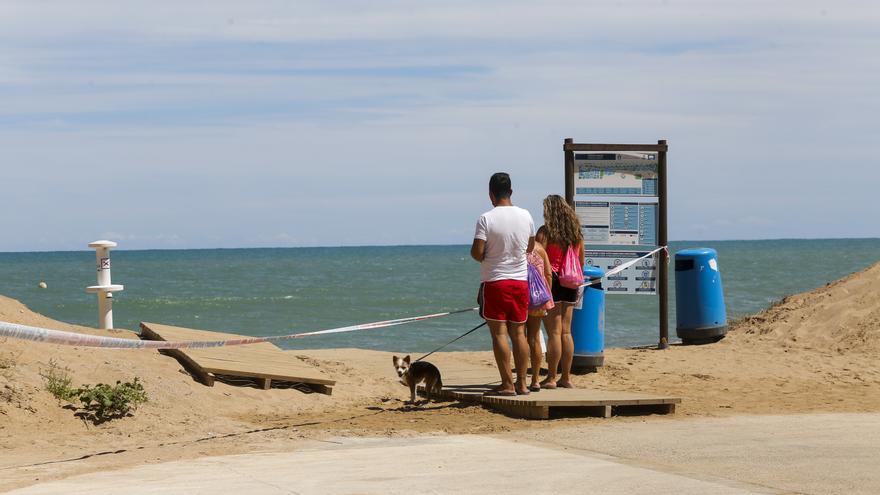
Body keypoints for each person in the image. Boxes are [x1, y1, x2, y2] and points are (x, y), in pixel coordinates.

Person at [471, 172, 535, 396]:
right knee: (519, 333)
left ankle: (507, 383)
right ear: (511, 192)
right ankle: (523, 384)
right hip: (519, 281)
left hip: (495, 281)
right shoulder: (526, 215)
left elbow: (477, 253)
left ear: (490, 194)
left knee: (499, 334)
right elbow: (529, 247)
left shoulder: (486, 218)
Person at [541, 194, 585, 389]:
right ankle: (566, 377)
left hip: (554, 281)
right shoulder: (576, 235)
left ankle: (551, 377)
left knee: (554, 332)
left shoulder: (546, 232)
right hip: (572, 282)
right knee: (566, 332)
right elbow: (581, 262)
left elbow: (538, 259)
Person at [526, 225, 554, 392]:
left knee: (520, 337)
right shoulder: (541, 250)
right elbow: (548, 274)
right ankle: (535, 380)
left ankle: (521, 379)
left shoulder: (520, 248)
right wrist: (546, 297)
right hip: (537, 300)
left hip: (521, 297)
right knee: (535, 337)